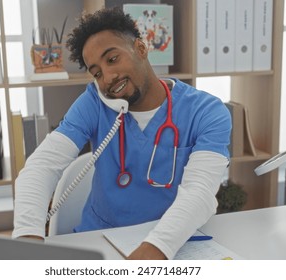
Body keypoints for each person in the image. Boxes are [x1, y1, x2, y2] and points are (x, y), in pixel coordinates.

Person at [12, 7, 231, 260]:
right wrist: (27, 240)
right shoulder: (94, 102)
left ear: (140, 48)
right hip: (101, 242)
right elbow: (41, 167)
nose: (108, 77)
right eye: (97, 73)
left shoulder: (207, 111)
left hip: (171, 241)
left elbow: (200, 191)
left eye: (112, 59)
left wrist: (156, 248)